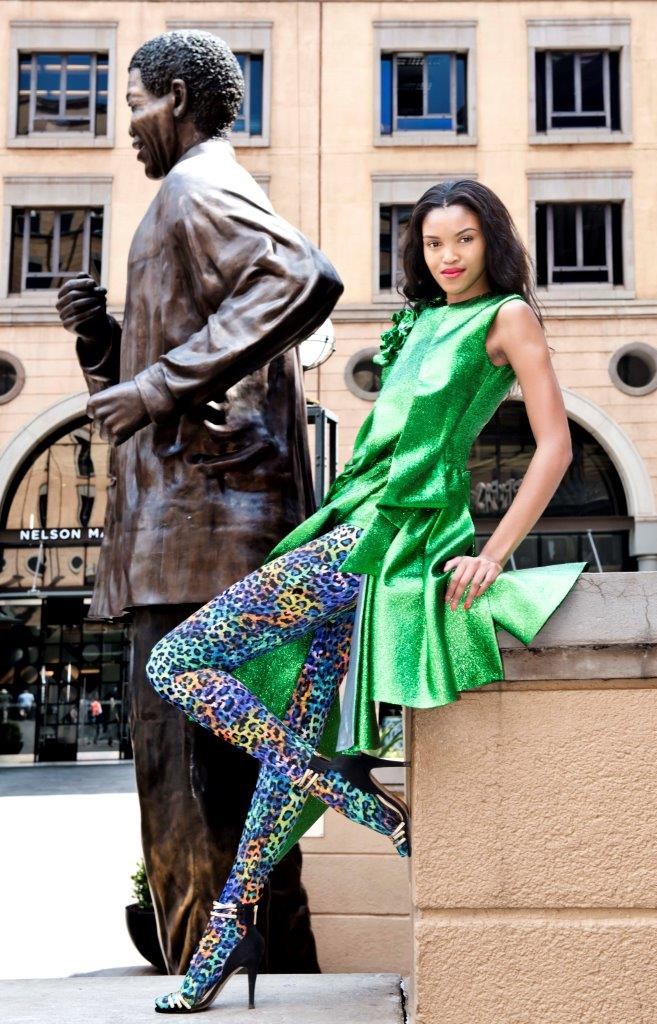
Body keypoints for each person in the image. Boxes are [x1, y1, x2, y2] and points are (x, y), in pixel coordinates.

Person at [147, 179, 588, 1014]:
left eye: (463, 240)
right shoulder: (419, 320)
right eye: (432, 244)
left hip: (393, 542)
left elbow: (556, 445)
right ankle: (223, 940)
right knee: (281, 767)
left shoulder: (508, 319)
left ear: (490, 241)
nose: (449, 257)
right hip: (346, 526)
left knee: (176, 660)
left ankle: (354, 796)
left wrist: (494, 552)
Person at [55, 30, 342, 972]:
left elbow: (301, 276)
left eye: (135, 101)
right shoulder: (193, 196)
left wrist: (154, 384)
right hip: (192, 537)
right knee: (219, 792)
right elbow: (180, 387)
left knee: (191, 794)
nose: (127, 126)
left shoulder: (199, 186)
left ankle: (223, 980)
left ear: (175, 97)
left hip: (201, 548)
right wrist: (109, 347)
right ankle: (254, 974)